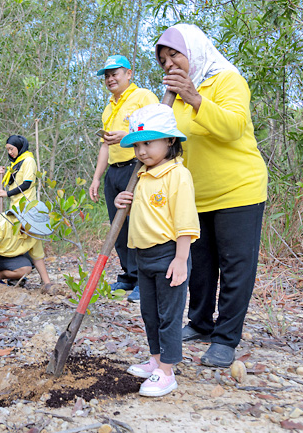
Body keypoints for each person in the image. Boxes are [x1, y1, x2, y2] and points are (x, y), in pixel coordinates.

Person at [155, 24, 268, 367]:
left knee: (236, 267)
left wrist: (193, 97)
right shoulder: (173, 96)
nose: (169, 64)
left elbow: (233, 127)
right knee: (200, 267)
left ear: (193, 50)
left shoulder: (227, 80)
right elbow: (170, 145)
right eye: (162, 60)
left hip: (239, 190)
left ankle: (225, 338)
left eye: (174, 54)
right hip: (197, 195)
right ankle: (201, 323)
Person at [114, 104, 200, 397]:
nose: (141, 151)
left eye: (148, 143)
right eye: (137, 145)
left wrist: (180, 259)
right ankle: (155, 359)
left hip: (168, 255)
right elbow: (143, 212)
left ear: (170, 141)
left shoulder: (178, 175)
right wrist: (123, 201)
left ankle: (167, 371)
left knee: (169, 315)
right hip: (143, 256)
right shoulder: (141, 176)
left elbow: (186, 221)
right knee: (149, 312)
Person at [88, 55, 159, 303]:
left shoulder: (143, 97)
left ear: (129, 73)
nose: (110, 78)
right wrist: (97, 178)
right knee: (119, 227)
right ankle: (129, 276)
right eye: (106, 75)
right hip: (114, 171)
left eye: (115, 73)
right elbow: (105, 146)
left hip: (137, 166)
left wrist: (127, 134)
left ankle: (145, 280)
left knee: (139, 224)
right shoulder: (109, 106)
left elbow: (156, 130)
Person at [0, 203, 54, 292]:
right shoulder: (3, 222)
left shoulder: (34, 233)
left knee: (26, 268)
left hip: (5, 256)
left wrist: (47, 283)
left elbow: (38, 258)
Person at [0, 135, 38, 208]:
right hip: (15, 205)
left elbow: (26, 184)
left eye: (11, 149)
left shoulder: (28, 160)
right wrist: (3, 174)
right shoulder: (16, 163)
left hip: (26, 205)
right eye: (8, 150)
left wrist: (7, 193)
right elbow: (14, 182)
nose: (9, 152)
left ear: (18, 146)